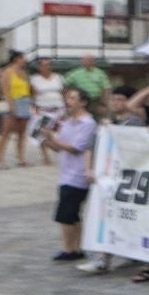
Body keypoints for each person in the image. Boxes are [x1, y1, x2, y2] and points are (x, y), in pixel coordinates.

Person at [40, 86, 97, 263]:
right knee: (73, 214)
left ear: (83, 102)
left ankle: (68, 249)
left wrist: (53, 138)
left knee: (65, 215)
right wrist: (45, 140)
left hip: (78, 175)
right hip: (66, 173)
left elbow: (75, 148)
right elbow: (60, 148)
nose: (68, 102)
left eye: (73, 98)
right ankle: (77, 248)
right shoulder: (67, 123)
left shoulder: (88, 123)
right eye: (68, 99)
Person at [0, 52, 32, 169]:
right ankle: (0, 159)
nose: (25, 60)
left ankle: (20, 157)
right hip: (13, 101)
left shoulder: (24, 73)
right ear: (17, 59)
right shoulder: (7, 72)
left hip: (24, 101)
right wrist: (11, 105)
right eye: (22, 58)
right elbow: (5, 90)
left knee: (22, 132)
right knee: (6, 132)